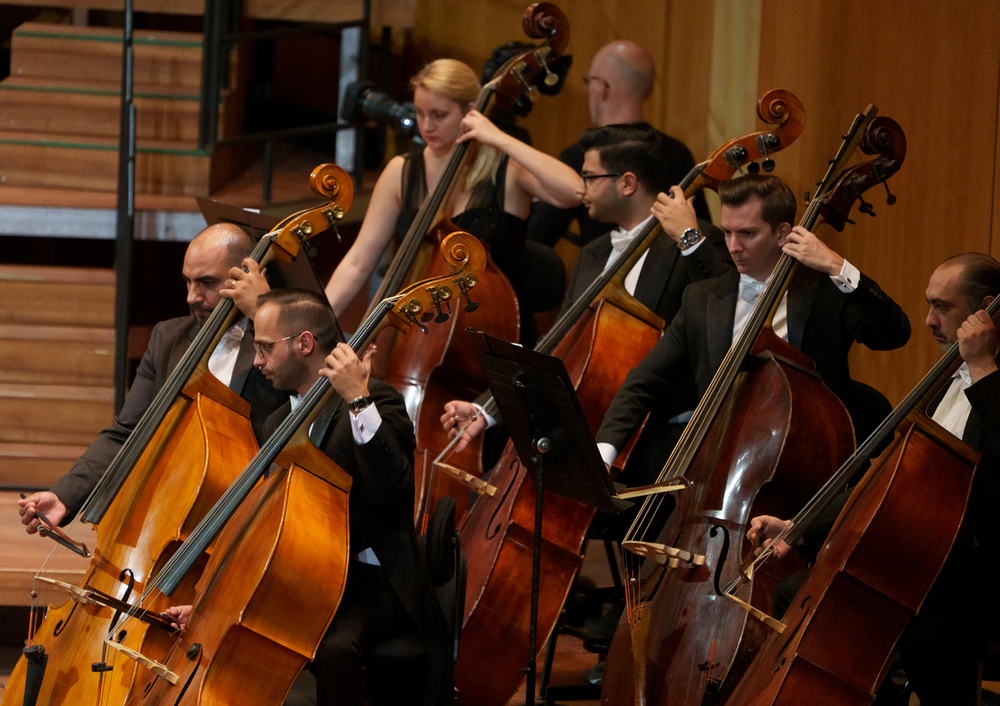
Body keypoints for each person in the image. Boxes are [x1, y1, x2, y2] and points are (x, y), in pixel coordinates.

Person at [167, 289, 447, 705]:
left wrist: (357, 398)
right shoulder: (279, 420)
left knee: (333, 647)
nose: (257, 360)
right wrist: (215, 607)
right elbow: (268, 527)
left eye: (264, 348)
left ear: (304, 343)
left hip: (372, 584)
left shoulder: (377, 401)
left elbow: (392, 489)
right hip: (304, 576)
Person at [748, 252, 1000, 705]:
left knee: (924, 638)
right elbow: (886, 478)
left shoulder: (985, 375)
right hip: (922, 555)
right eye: (928, 304)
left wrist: (984, 368)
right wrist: (800, 527)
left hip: (980, 565)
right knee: (796, 593)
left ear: (985, 308)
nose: (928, 320)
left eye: (942, 306)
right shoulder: (944, 376)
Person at [440, 123, 731, 480]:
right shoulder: (593, 254)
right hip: (587, 427)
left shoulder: (694, 242)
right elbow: (559, 348)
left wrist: (689, 238)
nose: (582, 188)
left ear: (627, 183)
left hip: (660, 437)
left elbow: (723, 309)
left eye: (590, 177)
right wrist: (486, 409)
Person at [595, 173, 911, 469]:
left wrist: (838, 267)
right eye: (728, 232)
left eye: (748, 234)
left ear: (783, 233)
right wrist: (605, 451)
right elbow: (647, 379)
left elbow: (893, 334)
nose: (733, 246)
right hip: (722, 465)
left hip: (809, 466)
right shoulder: (702, 298)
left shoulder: (827, 291)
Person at [18, 223, 289, 532]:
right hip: (171, 516)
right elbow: (127, 433)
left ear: (245, 276)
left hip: (254, 516)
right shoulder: (168, 338)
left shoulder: (285, 341)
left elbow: (310, 398)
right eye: (187, 281)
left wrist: (263, 312)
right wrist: (64, 496)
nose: (191, 297)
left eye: (206, 283)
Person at [322, 58, 581, 330]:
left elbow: (574, 192)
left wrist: (500, 138)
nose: (426, 126)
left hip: (494, 332)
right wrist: (317, 324)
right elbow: (358, 263)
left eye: (438, 115)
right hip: (417, 335)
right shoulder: (402, 172)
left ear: (471, 111)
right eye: (420, 113)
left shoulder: (508, 172)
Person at [527, 39, 709, 247]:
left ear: (601, 88)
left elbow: (538, 237)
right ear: (648, 91)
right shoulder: (679, 153)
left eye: (589, 81)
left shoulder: (582, 156)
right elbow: (701, 231)